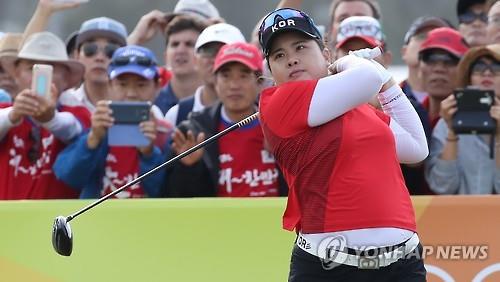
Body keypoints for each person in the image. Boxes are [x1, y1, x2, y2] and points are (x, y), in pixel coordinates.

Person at [258, 8, 428, 281]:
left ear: (325, 54)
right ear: (272, 71)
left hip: (402, 265)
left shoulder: (360, 107)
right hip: (327, 268)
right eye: (279, 55)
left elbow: (417, 147)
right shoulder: (276, 102)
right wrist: (351, 63)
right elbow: (367, 78)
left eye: (300, 47)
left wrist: (387, 83)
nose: (291, 60)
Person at [163, 42, 287, 197]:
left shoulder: (283, 127)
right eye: (226, 76)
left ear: (260, 82)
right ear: (215, 82)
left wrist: (287, 152)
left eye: (243, 75)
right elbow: (173, 199)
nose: (234, 85)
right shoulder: (192, 132)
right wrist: (189, 167)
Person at [54, 45, 168, 198]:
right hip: (99, 221)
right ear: (109, 85)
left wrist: (149, 153)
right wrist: (92, 140)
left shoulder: (165, 134)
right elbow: (67, 177)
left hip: (146, 221)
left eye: (141, 85)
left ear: (157, 87)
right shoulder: (97, 127)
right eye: (122, 84)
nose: (131, 94)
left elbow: (168, 191)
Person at [0, 32, 89, 199]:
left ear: (67, 78)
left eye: (51, 68)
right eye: (31, 68)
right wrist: (13, 115)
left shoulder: (78, 112)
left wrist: (50, 119)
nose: (39, 77)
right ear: (16, 75)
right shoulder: (5, 111)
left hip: (55, 222)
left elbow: (74, 129)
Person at [425, 44, 500, 194]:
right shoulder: (447, 120)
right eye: (478, 68)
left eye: (496, 68)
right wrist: (453, 131)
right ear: (469, 78)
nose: (486, 73)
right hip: (460, 216)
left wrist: (498, 137)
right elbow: (442, 186)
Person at [164, 23, 246, 126]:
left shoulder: (259, 113)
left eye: (225, 52)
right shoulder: (177, 114)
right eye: (208, 51)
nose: (216, 60)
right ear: (195, 60)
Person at [59, 17, 128, 113]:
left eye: (111, 51)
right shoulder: (63, 104)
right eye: (90, 49)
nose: (99, 57)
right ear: (77, 55)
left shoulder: (139, 110)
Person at [154, 15, 207, 115]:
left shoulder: (218, 103)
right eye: (175, 44)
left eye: (189, 44)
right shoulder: (153, 103)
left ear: (202, 56)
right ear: (165, 55)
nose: (180, 50)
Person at [418, 27, 469, 128]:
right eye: (430, 60)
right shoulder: (406, 113)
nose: (439, 69)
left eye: (450, 61)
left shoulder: (480, 119)